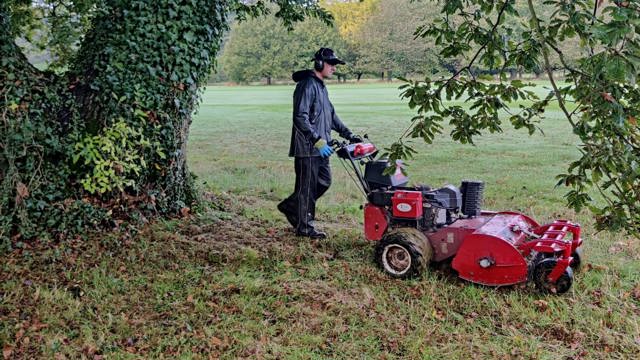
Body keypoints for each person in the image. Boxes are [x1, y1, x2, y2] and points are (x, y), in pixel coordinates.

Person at [277, 47, 362, 239]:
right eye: (331, 64)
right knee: (306, 188)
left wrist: (349, 134)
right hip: (308, 148)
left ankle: (291, 206)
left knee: (324, 181)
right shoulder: (306, 85)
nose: (334, 68)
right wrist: (316, 141)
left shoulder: (321, 87)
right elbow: (300, 117)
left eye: (335, 65)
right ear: (319, 64)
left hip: (321, 149)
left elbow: (331, 117)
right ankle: (305, 228)